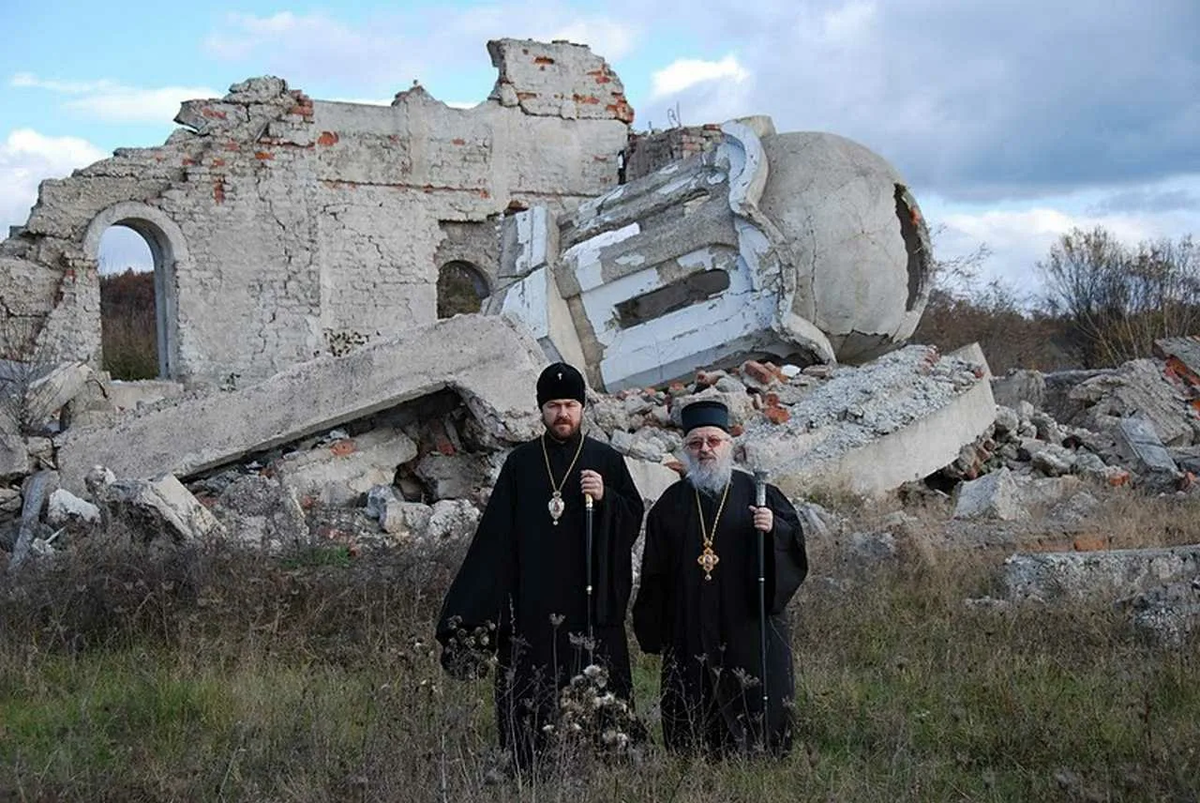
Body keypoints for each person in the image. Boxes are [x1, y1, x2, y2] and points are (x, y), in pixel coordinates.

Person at [436, 362, 645, 769]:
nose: (562, 414)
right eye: (553, 405)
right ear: (541, 409)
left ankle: (605, 759)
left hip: (588, 605)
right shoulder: (521, 463)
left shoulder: (605, 459)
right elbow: (494, 539)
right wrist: (473, 611)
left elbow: (633, 520)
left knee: (600, 688)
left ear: (583, 408)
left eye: (569, 405)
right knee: (532, 691)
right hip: (531, 605)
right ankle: (531, 761)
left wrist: (606, 500)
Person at [633, 398, 808, 756]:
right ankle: (692, 756)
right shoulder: (670, 504)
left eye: (713, 441)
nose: (705, 450)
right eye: (695, 444)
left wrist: (773, 528)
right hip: (691, 624)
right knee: (693, 708)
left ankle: (763, 754)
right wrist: (654, 628)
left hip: (747, 622)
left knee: (755, 708)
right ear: (685, 451)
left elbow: (794, 547)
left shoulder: (759, 493)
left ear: (729, 445)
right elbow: (654, 573)